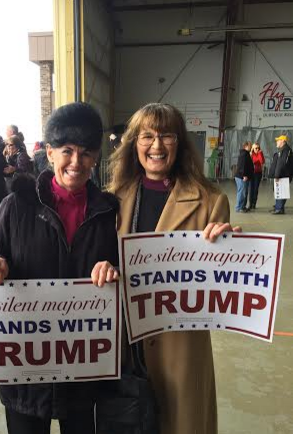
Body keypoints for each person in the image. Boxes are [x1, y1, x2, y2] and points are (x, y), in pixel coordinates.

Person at [0, 102, 119, 434]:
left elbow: (122, 272)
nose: (76, 162)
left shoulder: (108, 212)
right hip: (25, 372)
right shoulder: (16, 204)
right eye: (67, 151)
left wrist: (113, 269)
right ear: (50, 153)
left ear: (96, 158)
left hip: (82, 371)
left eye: (85, 153)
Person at [108, 102, 238, 434]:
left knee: (181, 423)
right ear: (133, 143)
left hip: (181, 345)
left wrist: (234, 247)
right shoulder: (111, 199)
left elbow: (223, 285)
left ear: (179, 143)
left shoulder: (210, 200)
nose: (156, 145)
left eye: (166, 136)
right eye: (146, 136)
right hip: (127, 343)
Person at [268, 134, 293, 215]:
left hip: (283, 176)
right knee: (278, 191)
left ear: (283, 141)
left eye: (278, 140)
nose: (277, 142)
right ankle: (278, 206)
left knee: (281, 192)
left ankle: (279, 209)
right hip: (283, 175)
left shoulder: (285, 150)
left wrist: (277, 175)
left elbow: (282, 163)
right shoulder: (283, 150)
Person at [234, 141, 254, 213]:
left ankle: (242, 206)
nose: (251, 147)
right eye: (250, 146)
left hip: (243, 176)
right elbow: (242, 165)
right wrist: (244, 175)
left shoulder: (246, 154)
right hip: (241, 177)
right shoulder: (244, 154)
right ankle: (239, 207)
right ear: (246, 146)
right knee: (241, 192)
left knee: (244, 192)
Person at [248, 142, 265, 209]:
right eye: (256, 148)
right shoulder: (251, 154)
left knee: (255, 189)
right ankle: (250, 203)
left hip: (258, 173)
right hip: (251, 173)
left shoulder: (260, 153)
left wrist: (260, 153)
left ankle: (254, 203)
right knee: (251, 189)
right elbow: (249, 161)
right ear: (253, 148)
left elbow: (262, 162)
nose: (257, 149)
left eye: (258, 148)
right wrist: (251, 153)